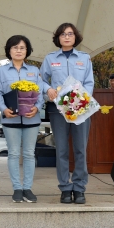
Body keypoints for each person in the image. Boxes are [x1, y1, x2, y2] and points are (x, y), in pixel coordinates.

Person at [41, 22, 94, 205]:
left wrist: (81, 100)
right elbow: (42, 80)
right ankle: (65, 187)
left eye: (70, 34)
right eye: (63, 34)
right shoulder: (49, 58)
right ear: (58, 38)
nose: (67, 37)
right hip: (58, 110)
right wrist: (48, 90)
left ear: (75, 37)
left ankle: (79, 188)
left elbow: (89, 82)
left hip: (80, 109)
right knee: (61, 150)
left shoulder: (85, 58)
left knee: (80, 149)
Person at [0, 35, 46, 203]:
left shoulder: (35, 71)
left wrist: (37, 107)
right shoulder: (1, 71)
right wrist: (4, 109)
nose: (19, 50)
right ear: (9, 51)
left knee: (29, 154)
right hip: (10, 119)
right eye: (15, 47)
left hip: (31, 119)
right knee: (13, 154)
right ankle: (16, 188)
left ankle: (27, 188)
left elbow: (41, 93)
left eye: (22, 48)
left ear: (27, 51)